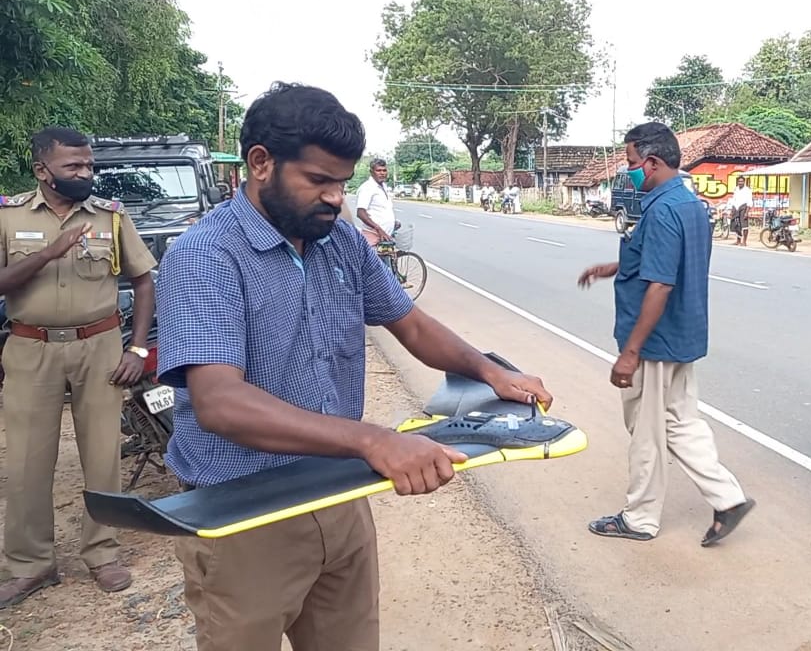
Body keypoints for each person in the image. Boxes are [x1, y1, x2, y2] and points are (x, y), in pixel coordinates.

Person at [155, 82, 554, 651]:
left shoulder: (338, 240)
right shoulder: (207, 257)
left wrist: (489, 371)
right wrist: (372, 440)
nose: (335, 198)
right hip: (246, 517)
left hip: (338, 494)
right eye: (318, 181)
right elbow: (221, 404)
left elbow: (408, 323)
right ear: (260, 163)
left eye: (342, 182)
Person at [0, 127, 157, 607]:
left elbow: (144, 279)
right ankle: (31, 565)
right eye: (73, 166)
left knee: (102, 454)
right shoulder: (8, 216)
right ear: (42, 170)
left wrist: (136, 350)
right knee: (26, 460)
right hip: (31, 348)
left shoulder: (111, 217)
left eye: (88, 165)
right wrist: (50, 252)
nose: (84, 173)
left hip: (100, 347)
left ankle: (102, 552)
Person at [578, 122, 754, 546]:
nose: (630, 172)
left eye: (632, 164)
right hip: (683, 334)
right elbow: (664, 262)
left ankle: (639, 517)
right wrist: (617, 266)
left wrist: (631, 352)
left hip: (655, 341)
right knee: (679, 420)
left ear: (653, 162)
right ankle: (727, 498)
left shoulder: (660, 210)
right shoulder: (689, 204)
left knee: (647, 430)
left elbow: (660, 284)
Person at [355, 158, 394, 245]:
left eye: (384, 170)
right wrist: (378, 228)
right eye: (378, 170)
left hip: (385, 236)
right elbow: (360, 213)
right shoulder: (367, 188)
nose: (382, 173)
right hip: (373, 235)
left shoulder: (383, 186)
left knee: (387, 258)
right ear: (371, 172)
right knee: (372, 258)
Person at [729, 175, 752, 245]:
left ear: (744, 182)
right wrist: (731, 210)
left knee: (744, 226)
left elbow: (749, 201)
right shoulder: (736, 189)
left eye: (742, 181)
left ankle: (744, 241)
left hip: (743, 208)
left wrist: (746, 212)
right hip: (736, 208)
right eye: (739, 181)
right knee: (736, 224)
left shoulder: (747, 190)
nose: (740, 183)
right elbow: (734, 199)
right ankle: (738, 240)